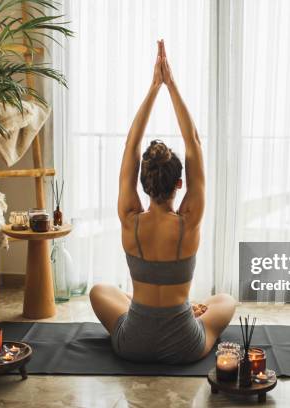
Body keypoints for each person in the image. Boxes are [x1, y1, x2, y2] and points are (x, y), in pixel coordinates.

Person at [89, 40, 236, 364]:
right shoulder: (189, 220)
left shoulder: (130, 218)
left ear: (143, 183)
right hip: (184, 345)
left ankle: (147, 306)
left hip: (132, 342)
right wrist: (171, 85)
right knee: (226, 300)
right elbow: (193, 142)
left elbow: (131, 146)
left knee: (99, 290)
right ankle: (187, 308)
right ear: (179, 185)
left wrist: (154, 87)